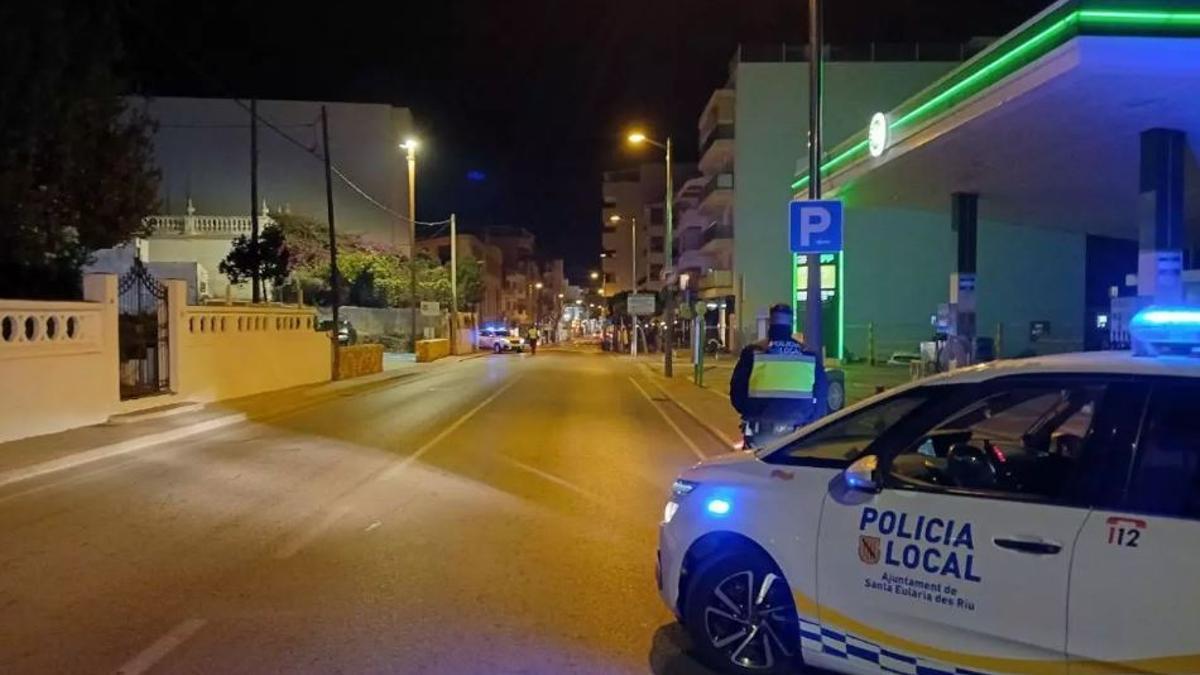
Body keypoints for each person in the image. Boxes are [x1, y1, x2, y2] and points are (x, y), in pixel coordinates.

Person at [729, 303, 827, 448]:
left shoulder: (754, 352)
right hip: (798, 434)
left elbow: (736, 391)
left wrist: (750, 410)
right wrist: (811, 419)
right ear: (791, 325)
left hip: (759, 431)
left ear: (770, 323)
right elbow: (822, 394)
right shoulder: (808, 354)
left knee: (751, 468)